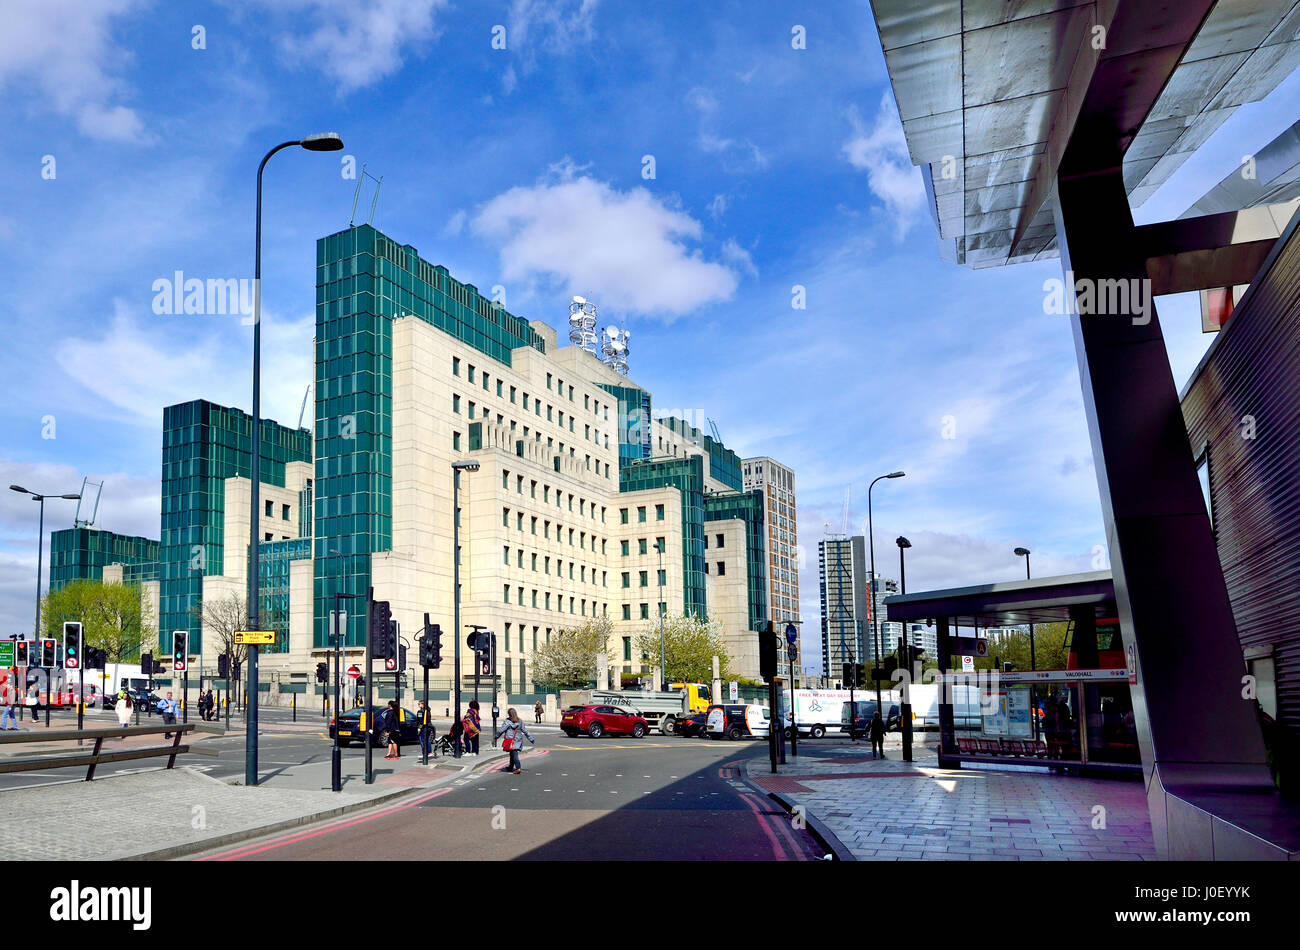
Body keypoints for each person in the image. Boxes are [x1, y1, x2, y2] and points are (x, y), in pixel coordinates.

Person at [495, 708, 535, 775]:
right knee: (512, 753)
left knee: (514, 754)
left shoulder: (507, 721)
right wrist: (531, 739)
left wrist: (496, 736)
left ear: (509, 714)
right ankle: (510, 767)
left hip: (510, 740)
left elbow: (501, 730)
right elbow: (525, 731)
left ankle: (518, 768)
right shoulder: (520, 721)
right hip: (517, 740)